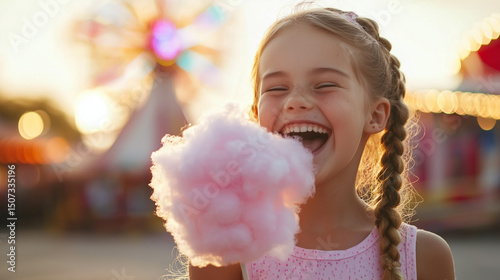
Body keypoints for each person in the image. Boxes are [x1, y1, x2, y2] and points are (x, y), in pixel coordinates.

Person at [189, 7, 455, 280]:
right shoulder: (227, 249)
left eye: (325, 85)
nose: (295, 101)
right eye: (277, 88)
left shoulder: (422, 256)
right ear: (256, 115)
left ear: (374, 115)